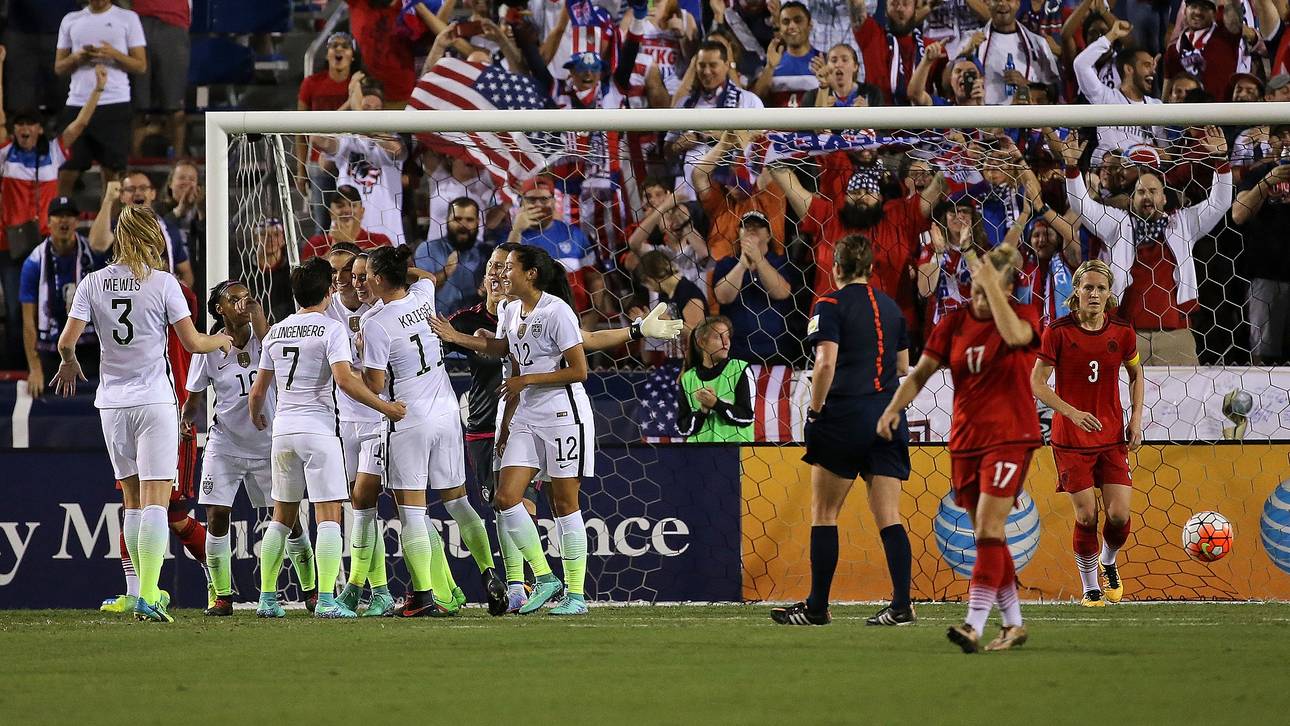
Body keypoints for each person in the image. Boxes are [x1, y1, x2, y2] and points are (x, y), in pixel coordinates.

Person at [432, 244, 683, 612]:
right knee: (505, 499)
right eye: (497, 268)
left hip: (563, 415)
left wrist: (526, 381)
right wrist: (456, 339)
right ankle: (545, 579)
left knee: (564, 504)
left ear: (530, 273)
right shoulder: (509, 309)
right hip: (522, 416)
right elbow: (504, 349)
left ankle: (576, 596)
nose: (502, 274)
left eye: (509, 267)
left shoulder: (557, 311)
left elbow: (580, 370)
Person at [52, 205, 232, 622]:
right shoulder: (164, 284)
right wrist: (220, 340)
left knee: (132, 502)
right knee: (155, 500)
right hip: (153, 401)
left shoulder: (92, 283)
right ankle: (150, 594)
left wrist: (69, 363)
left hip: (111, 404)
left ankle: (136, 593)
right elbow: (190, 343)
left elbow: (66, 342)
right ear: (151, 236)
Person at [878, 244, 1043, 653]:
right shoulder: (953, 324)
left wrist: (995, 286)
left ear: (1007, 290)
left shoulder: (1024, 316)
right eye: (975, 290)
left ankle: (973, 624)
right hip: (966, 443)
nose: (978, 297)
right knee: (989, 537)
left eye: (987, 291)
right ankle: (1014, 624)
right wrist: (892, 409)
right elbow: (920, 374)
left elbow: (1014, 336)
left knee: (987, 528)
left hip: (1010, 437)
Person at [247, 257, 406, 619]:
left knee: (281, 517)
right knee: (329, 516)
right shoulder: (330, 330)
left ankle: (267, 599)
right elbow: (346, 381)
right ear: (330, 290)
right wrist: (385, 407)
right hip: (318, 432)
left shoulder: (276, 331)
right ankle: (327, 600)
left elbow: (258, 391)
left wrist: (257, 416)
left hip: (283, 432)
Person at [773, 234, 913, 627]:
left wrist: (815, 413)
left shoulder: (828, 303)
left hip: (844, 417)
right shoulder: (891, 308)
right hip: (887, 416)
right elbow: (903, 367)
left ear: (835, 269)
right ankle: (902, 605)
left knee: (824, 512)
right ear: (871, 269)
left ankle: (818, 607)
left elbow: (825, 364)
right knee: (889, 515)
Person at [180, 281, 317, 615]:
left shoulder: (266, 340)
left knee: (289, 520)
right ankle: (222, 596)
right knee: (216, 515)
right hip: (225, 442)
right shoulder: (209, 349)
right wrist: (186, 420)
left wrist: (257, 312)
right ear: (219, 309)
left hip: (269, 445)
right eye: (234, 299)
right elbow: (195, 398)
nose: (242, 303)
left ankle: (312, 592)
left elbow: (270, 341)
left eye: (246, 298)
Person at [1062, 130, 1231, 365]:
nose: (1146, 196)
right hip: (1127, 336)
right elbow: (1082, 206)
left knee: (1184, 401)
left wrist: (1221, 161)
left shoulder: (1182, 223)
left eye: (1153, 191)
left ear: (1163, 198)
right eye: (1140, 191)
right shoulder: (1118, 224)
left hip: (1176, 337)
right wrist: (1071, 168)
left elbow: (1220, 203)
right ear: (1132, 200)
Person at [1030, 260, 1143, 607]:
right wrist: (1072, 413)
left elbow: (1137, 374)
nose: (1094, 294)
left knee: (1120, 515)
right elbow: (1036, 383)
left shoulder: (1122, 331)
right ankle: (1090, 586)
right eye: (1088, 287)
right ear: (1076, 291)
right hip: (1071, 439)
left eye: (1101, 288)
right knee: (1086, 515)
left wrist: (1136, 418)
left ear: (1110, 294)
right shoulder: (1059, 332)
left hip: (1111, 437)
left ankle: (1108, 561)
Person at [0, 68, 106, 368]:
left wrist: (97, 90)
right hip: (10, 246)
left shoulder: (53, 153)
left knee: (56, 307)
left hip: (47, 244)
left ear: (38, 128)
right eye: (19, 123)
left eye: (30, 123)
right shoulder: (5, 154)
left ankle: (54, 364)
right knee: (17, 309)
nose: (25, 128)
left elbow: (81, 123)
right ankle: (20, 369)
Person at [332, 250, 400, 617]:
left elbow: (376, 380)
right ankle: (381, 591)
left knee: (365, 501)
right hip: (346, 422)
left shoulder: (384, 317)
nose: (351, 280)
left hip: (379, 420)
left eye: (358, 274)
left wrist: (345, 377)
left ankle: (358, 587)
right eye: (344, 274)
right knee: (361, 506)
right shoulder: (327, 313)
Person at [53, 0, 146, 193]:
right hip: (78, 102)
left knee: (112, 174)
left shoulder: (128, 18)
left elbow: (140, 65)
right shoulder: (70, 20)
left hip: (114, 103)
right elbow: (59, 67)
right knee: (66, 171)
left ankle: (110, 223)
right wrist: (77, 57)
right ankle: (59, 219)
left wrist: (114, 54)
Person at [20, 196, 107, 397]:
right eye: (58, 216)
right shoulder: (34, 262)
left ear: (77, 222)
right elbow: (28, 321)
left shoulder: (92, 256)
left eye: (69, 216)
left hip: (89, 346)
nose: (64, 221)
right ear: (48, 221)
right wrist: (34, 368)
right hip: (50, 349)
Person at [309, 73, 407, 245]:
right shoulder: (348, 140)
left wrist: (359, 113)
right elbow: (316, 137)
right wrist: (350, 101)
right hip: (349, 235)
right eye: (366, 107)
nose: (370, 114)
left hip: (389, 237)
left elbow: (397, 151)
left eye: (377, 110)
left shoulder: (391, 140)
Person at [1074, 21, 1164, 165]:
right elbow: (1081, 65)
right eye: (1147, 65)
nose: (1153, 71)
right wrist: (1111, 35)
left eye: (1153, 66)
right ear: (1129, 69)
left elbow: (1167, 156)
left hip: (1144, 177)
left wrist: (1147, 152)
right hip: (1108, 176)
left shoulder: (1156, 106)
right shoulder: (1106, 98)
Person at [711, 211, 795, 365]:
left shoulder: (780, 262)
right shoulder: (726, 264)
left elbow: (781, 292)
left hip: (775, 353)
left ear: (769, 236)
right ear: (739, 233)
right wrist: (742, 264)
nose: (751, 229)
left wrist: (759, 260)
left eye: (758, 226)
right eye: (746, 226)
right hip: (735, 352)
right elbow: (723, 297)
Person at [1232, 145, 1290, 365]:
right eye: (1281, 137)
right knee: (1263, 354)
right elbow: (1238, 215)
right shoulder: (1260, 173)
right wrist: (1267, 182)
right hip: (1265, 276)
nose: (1287, 142)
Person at [297, 31, 357, 233]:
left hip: (352, 162)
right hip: (318, 163)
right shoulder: (311, 83)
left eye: (345, 46)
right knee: (322, 225)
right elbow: (301, 129)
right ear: (326, 54)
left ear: (352, 56)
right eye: (334, 46)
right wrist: (300, 170)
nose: (339, 49)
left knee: (354, 223)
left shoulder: (358, 85)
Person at [89, 174, 194, 287]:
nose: (137, 193)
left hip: (158, 298)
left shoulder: (169, 229)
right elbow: (98, 245)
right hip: (124, 295)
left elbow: (185, 272)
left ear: (153, 193)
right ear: (122, 196)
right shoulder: (114, 227)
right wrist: (108, 199)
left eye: (143, 188)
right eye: (131, 189)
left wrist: (180, 292)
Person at [951, 0, 1060, 106]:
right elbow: (947, 85)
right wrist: (966, 54)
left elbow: (1054, 92)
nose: (1002, 3)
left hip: (1023, 119)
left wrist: (1026, 84)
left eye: (1009, 0)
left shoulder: (1038, 43)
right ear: (986, 2)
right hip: (984, 119)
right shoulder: (969, 40)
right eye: (996, 0)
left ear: (1018, 3)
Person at [676, 315, 754, 443]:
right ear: (702, 342)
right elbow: (682, 429)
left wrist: (716, 404)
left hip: (735, 454)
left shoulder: (740, 369)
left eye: (727, 336)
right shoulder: (688, 378)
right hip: (700, 455)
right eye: (718, 337)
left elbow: (747, 417)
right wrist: (702, 412)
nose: (726, 341)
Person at [130, 0, 190, 157]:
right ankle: (133, 169)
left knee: (175, 107)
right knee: (137, 107)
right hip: (138, 22)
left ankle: (178, 166)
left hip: (173, 23)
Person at [415, 197, 489, 316]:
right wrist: (446, 272)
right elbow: (419, 292)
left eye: (469, 220)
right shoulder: (428, 249)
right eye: (457, 219)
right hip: (436, 324)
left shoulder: (487, 253)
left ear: (478, 222)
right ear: (447, 220)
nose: (463, 225)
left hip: (474, 325)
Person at [752, 1, 822, 107]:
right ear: (780, 29)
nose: (792, 26)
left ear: (810, 25)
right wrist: (770, 68)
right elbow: (754, 101)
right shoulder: (770, 62)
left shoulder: (824, 60)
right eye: (786, 22)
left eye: (798, 20)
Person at [301, 185, 395, 260]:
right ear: (331, 213)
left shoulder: (380, 240)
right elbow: (310, 278)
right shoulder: (316, 244)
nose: (346, 210)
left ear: (362, 211)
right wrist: (335, 247)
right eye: (340, 206)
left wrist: (348, 244)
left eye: (353, 205)